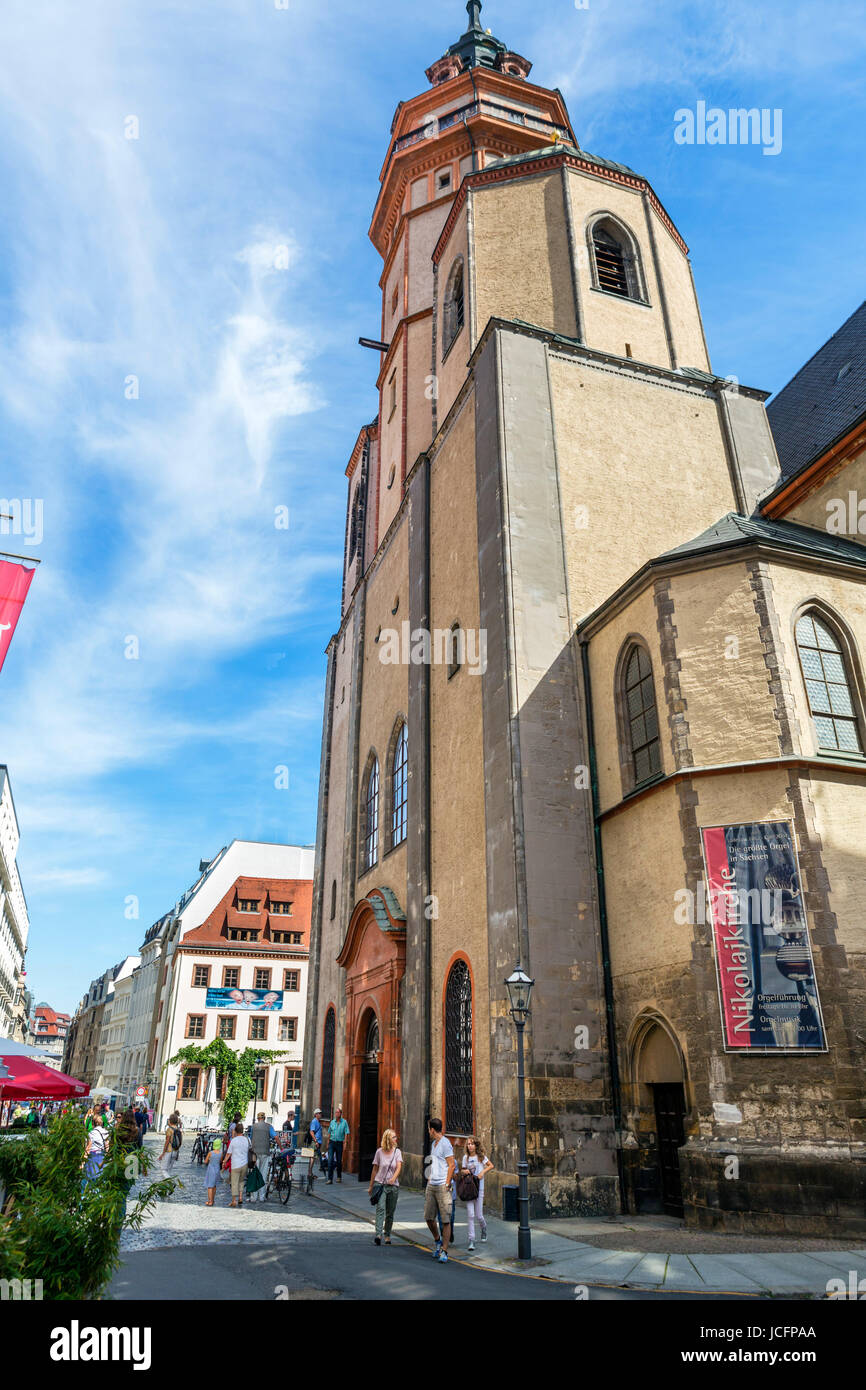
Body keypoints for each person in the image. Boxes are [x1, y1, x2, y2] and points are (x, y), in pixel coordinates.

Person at [424, 1118, 455, 1263]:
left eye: (428, 1128)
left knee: (446, 1220)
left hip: (443, 1185)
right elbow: (435, 1162)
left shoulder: (445, 1144)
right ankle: (437, 1241)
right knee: (429, 1217)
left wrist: (447, 1183)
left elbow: (452, 1165)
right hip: (432, 1185)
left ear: (432, 1129)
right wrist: (430, 1176)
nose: (428, 1131)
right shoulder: (433, 1144)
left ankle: (444, 1250)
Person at [367, 1128, 402, 1246]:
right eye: (394, 1137)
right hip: (380, 1185)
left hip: (393, 1186)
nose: (396, 1139)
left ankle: (387, 1234)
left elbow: (398, 1167)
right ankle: (378, 1234)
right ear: (388, 1139)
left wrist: (393, 1178)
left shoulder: (397, 1152)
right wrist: (371, 1186)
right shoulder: (379, 1152)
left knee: (390, 1212)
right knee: (380, 1209)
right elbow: (374, 1170)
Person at [460, 1135, 494, 1251]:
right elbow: (463, 1170)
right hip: (469, 1188)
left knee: (479, 1215)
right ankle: (471, 1240)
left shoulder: (481, 1157)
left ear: (476, 1145)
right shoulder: (466, 1158)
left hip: (479, 1188)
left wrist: (482, 1172)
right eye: (468, 1144)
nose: (470, 1146)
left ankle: (484, 1228)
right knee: (470, 1214)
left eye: (472, 1144)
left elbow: (490, 1165)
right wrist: (464, 1171)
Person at [250, 1112, 276, 1203]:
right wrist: (281, 1147)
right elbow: (275, 1136)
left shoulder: (253, 1127)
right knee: (263, 1174)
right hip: (265, 1152)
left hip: (255, 1153)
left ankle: (253, 1196)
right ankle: (261, 1196)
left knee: (254, 1174)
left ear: (258, 1118)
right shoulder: (269, 1126)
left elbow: (251, 1138)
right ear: (264, 1118)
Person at [226, 1123, 251, 1207]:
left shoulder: (234, 1141)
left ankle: (234, 1201)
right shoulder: (247, 1139)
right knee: (241, 1181)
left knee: (234, 1183)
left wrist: (224, 1162)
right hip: (244, 1164)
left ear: (236, 1131)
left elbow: (228, 1153)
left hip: (235, 1164)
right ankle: (240, 1197)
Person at [83, 1112, 110, 1184]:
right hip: (102, 1157)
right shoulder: (106, 1132)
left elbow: (88, 1147)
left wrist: (82, 1161)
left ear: (93, 1123)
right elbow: (107, 1147)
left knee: (91, 1178)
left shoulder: (92, 1133)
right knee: (100, 1179)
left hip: (92, 1157)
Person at [326, 1106, 349, 1183]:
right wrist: (327, 1143)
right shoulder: (332, 1122)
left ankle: (339, 1176)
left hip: (339, 1143)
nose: (336, 1114)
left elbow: (346, 1133)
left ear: (341, 1114)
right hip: (332, 1143)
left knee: (339, 1161)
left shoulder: (344, 1122)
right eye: (335, 1112)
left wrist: (345, 1143)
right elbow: (329, 1132)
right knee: (330, 1161)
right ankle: (330, 1179)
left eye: (338, 1112)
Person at [159, 1111, 182, 1184]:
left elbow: (167, 1142)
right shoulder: (178, 1130)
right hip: (175, 1151)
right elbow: (180, 1142)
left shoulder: (169, 1129)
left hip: (169, 1151)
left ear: (170, 1121)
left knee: (163, 1170)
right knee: (168, 1170)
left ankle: (171, 1182)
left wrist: (163, 1153)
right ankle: (166, 1187)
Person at [204, 1137, 223, 1206]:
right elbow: (220, 1161)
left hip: (211, 1170)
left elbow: (205, 1161)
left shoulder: (210, 1153)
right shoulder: (221, 1153)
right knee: (214, 1185)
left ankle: (210, 1201)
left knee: (209, 1186)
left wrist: (209, 1160)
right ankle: (213, 1199)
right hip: (217, 1169)